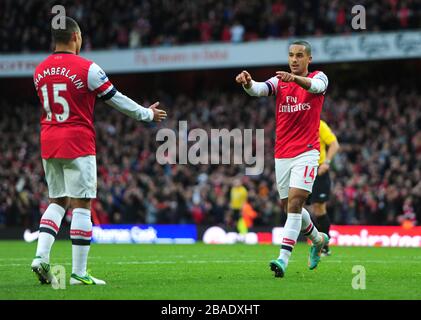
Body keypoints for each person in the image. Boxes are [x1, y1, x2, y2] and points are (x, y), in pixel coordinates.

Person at [31, 17, 167, 285]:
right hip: (78, 141)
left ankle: (40, 257)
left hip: (48, 140)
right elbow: (116, 99)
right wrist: (146, 114)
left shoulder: (39, 70)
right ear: (75, 37)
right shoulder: (87, 69)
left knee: (57, 200)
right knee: (82, 205)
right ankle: (79, 273)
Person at [235, 40, 329, 278]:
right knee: (289, 208)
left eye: (299, 55)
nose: (294, 59)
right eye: (291, 55)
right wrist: (247, 84)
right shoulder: (280, 82)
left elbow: (316, 87)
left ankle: (283, 258)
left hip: (307, 152)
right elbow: (259, 89)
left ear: (309, 59)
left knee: (296, 203)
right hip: (282, 154)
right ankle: (318, 240)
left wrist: (294, 79)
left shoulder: (319, 77)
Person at [308, 120, 340, 256]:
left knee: (319, 208)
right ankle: (295, 241)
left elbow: (334, 144)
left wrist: (326, 162)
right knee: (295, 205)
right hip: (302, 169)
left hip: (319, 170)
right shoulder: (298, 122)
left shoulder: (319, 124)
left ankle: (324, 245)